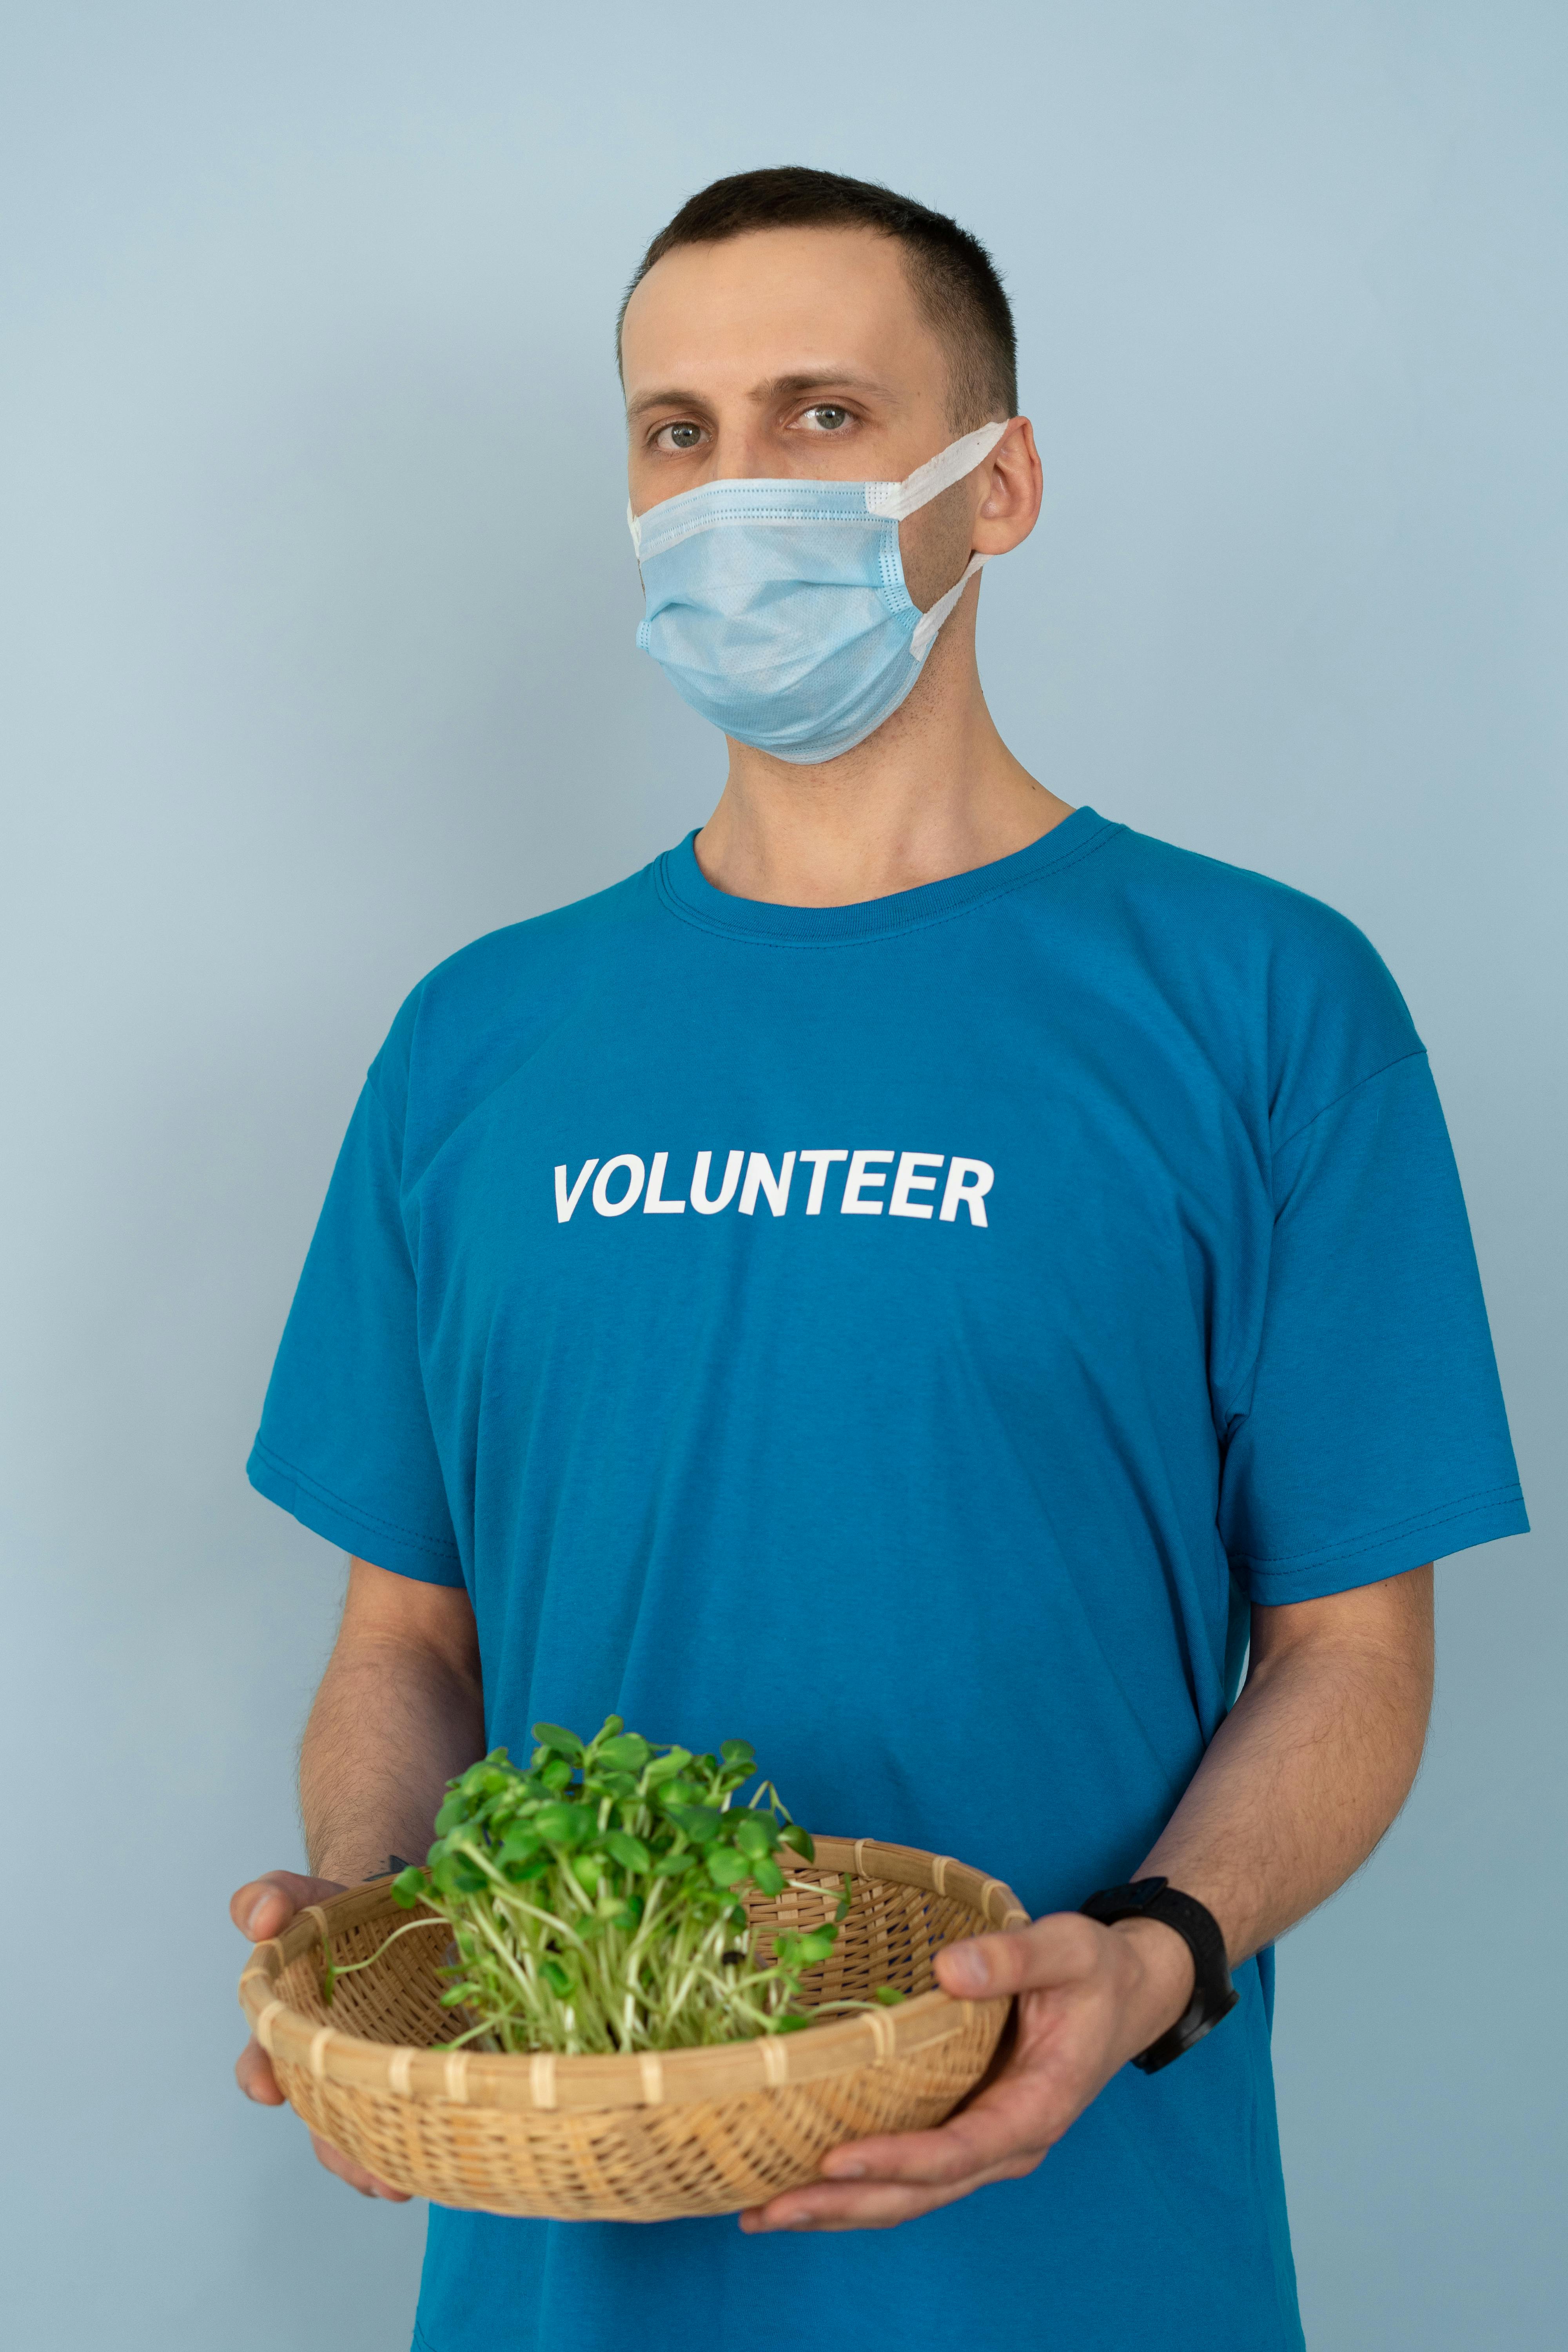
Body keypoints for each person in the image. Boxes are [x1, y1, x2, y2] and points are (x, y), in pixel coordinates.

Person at [230, 167, 1527, 2352]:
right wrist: (370, 1933)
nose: (737, 487)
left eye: (823, 415)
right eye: (680, 431)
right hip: (563, 2268)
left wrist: (1157, 1953)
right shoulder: (480, 1041)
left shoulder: (1262, 1000)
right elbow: (402, 1647)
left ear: (995, 482)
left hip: (1088, 2265)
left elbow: (1350, 1657)